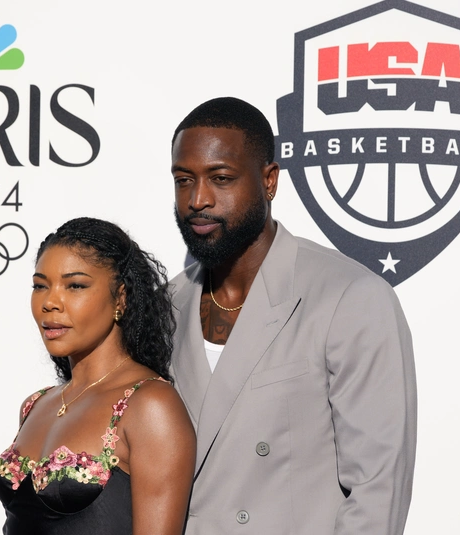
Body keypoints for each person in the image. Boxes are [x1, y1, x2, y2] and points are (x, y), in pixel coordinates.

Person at [167, 97, 417, 534]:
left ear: (269, 181)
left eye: (221, 178)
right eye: (184, 180)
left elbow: (378, 491)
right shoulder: (166, 305)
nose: (198, 199)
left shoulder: (349, 297)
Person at [0, 216, 197, 535]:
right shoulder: (35, 404)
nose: (50, 302)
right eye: (40, 285)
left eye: (75, 285)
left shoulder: (150, 405)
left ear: (121, 298)